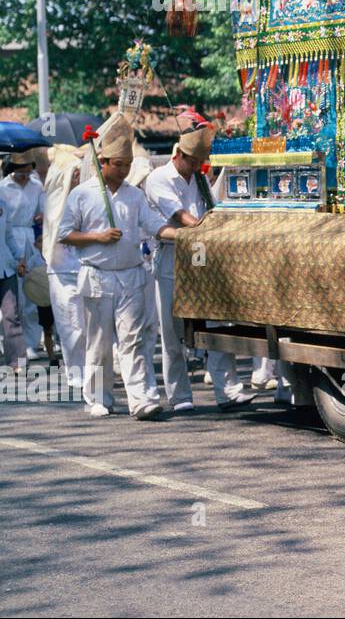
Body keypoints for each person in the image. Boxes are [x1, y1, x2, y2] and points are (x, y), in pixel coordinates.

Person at [56, 117, 179, 420]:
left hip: (131, 276)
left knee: (134, 339)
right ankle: (98, 397)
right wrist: (97, 237)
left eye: (127, 165)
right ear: (104, 162)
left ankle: (142, 398)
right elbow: (65, 234)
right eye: (119, 164)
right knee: (98, 343)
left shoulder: (135, 196)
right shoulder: (82, 194)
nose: (124, 171)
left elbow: (155, 226)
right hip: (96, 275)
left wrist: (182, 235)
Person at [145, 125, 253, 411]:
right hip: (172, 255)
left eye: (198, 162)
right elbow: (182, 217)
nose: (194, 167)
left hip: (201, 254)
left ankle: (228, 390)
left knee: (216, 321)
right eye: (191, 161)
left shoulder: (201, 179)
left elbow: (211, 210)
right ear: (178, 154)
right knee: (173, 330)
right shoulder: (158, 178)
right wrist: (213, 230)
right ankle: (180, 396)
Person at [40, 145, 88, 395]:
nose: (79, 176)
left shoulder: (85, 196)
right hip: (61, 270)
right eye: (74, 173)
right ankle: (75, 372)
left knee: (89, 325)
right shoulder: (53, 201)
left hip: (85, 268)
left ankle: (92, 371)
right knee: (71, 325)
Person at [0, 151, 47, 359]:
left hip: (29, 238)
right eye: (21, 174)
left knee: (31, 291)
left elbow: (42, 212)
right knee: (12, 297)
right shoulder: (3, 188)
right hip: (8, 239)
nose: (26, 177)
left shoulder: (36, 187)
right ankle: (10, 341)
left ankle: (31, 343)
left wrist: (41, 221)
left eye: (29, 172)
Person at [0, 187, 28, 369]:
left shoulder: (2, 205)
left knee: (12, 315)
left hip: (6, 268)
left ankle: (17, 362)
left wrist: (19, 257)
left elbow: (8, 236)